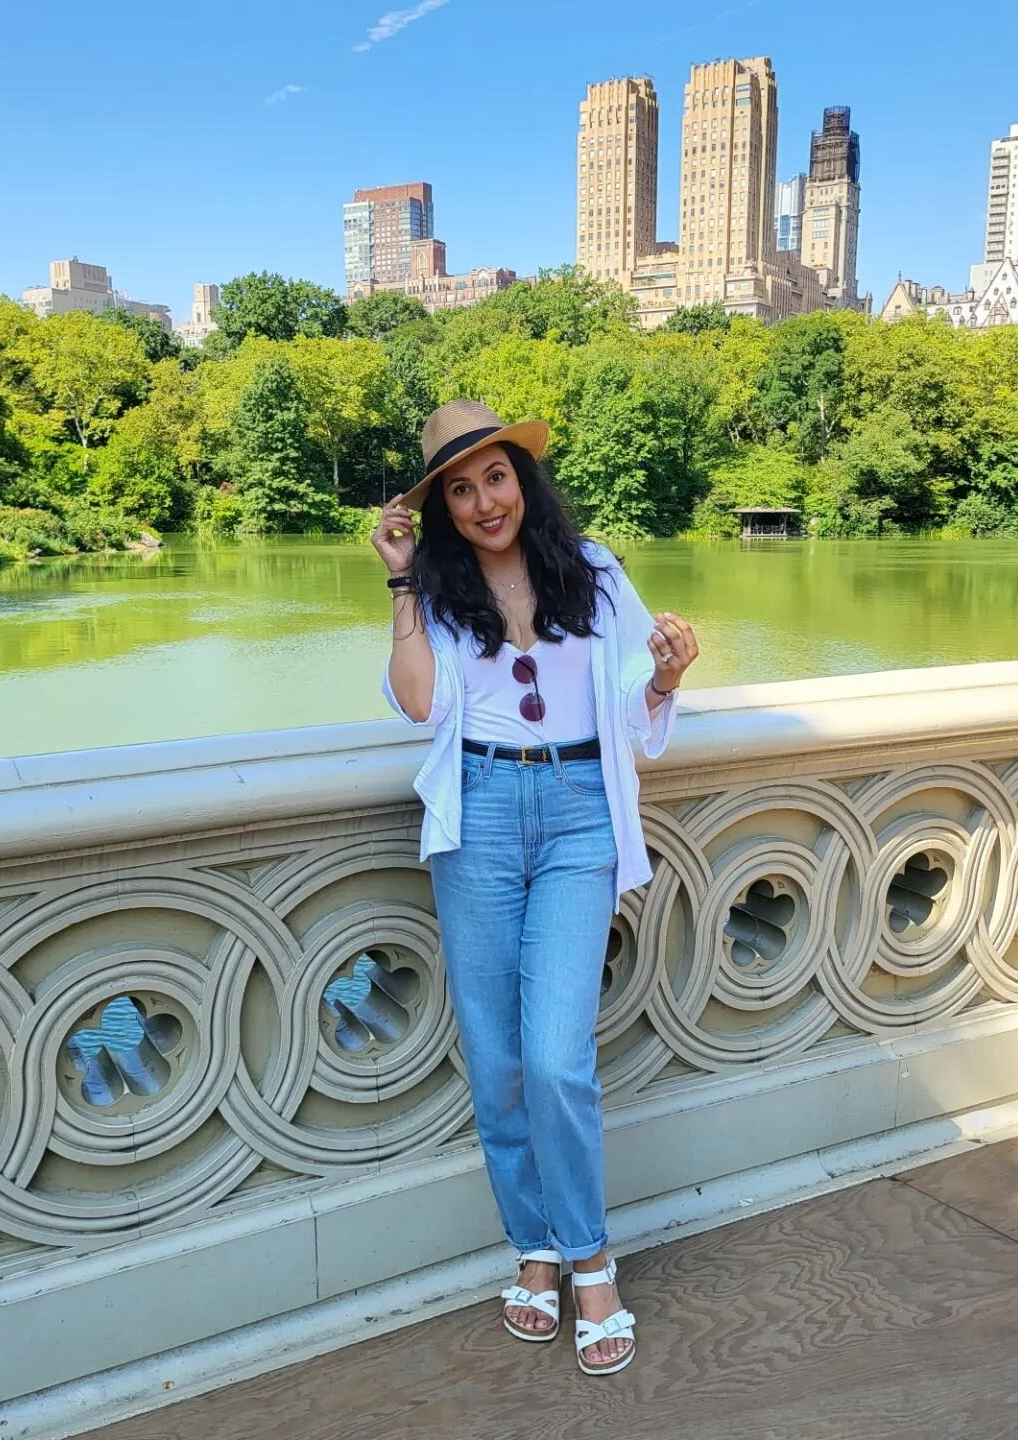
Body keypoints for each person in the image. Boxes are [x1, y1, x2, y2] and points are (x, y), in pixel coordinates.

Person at [372, 399, 698, 1377]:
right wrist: (397, 580)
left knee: (557, 1058)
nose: (483, 502)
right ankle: (539, 1247)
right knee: (500, 1057)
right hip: (476, 817)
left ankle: (592, 1254)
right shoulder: (434, 583)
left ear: (525, 477)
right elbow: (419, 701)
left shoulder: (593, 572)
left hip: (577, 818)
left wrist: (671, 675)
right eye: (460, 490)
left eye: (496, 477)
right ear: (443, 508)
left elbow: (642, 700)